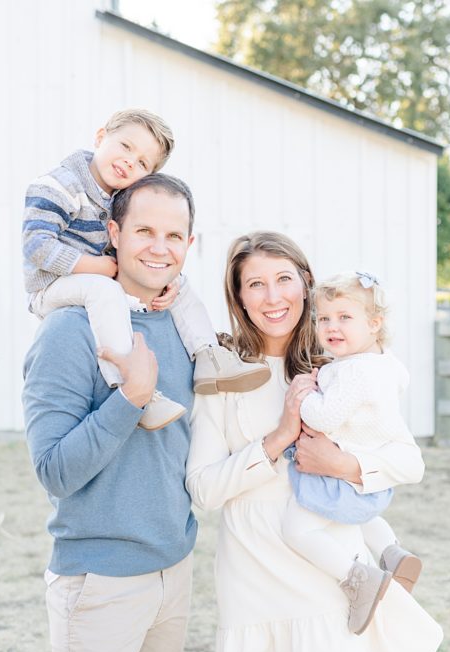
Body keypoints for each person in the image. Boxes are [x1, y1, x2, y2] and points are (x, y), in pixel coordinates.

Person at [187, 232, 443, 652]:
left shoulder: (343, 368)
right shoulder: (222, 373)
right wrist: (278, 438)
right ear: (239, 297)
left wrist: (344, 465)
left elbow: (407, 461)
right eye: (255, 285)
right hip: (253, 575)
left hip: (330, 573)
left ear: (306, 285)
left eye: (284, 279)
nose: (272, 297)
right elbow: (203, 490)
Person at [22, 174, 200, 652]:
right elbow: (54, 471)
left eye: (173, 236)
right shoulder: (69, 330)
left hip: (175, 566)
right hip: (100, 582)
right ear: (113, 233)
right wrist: (130, 399)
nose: (159, 249)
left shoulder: (181, 326)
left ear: (189, 244)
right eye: (144, 231)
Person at [21, 108, 269, 430]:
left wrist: (170, 283)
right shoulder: (59, 184)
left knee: (180, 282)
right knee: (105, 290)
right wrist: (94, 266)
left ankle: (209, 357)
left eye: (142, 163)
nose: (129, 162)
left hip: (90, 279)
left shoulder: (116, 194)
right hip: (50, 286)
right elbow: (35, 245)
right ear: (100, 137)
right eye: (125, 147)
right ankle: (130, 384)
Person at [280, 270, 424, 635]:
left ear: (375, 324)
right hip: (368, 474)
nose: (331, 327)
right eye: (324, 318)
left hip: (340, 469)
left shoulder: (352, 373)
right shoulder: (386, 365)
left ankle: (359, 580)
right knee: (361, 514)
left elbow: (325, 417)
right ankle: (392, 552)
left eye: (345, 317)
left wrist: (305, 395)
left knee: (297, 529)